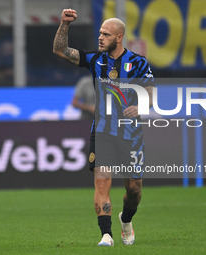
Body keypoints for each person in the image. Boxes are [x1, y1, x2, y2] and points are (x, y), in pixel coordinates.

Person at [53, 9, 154, 246]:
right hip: (102, 131)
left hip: (130, 133)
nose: (100, 38)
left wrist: (140, 107)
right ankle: (106, 234)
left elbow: (150, 93)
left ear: (119, 37)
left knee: (134, 189)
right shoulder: (94, 60)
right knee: (102, 179)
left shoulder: (138, 63)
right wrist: (64, 25)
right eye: (99, 33)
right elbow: (60, 50)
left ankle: (126, 220)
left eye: (106, 35)